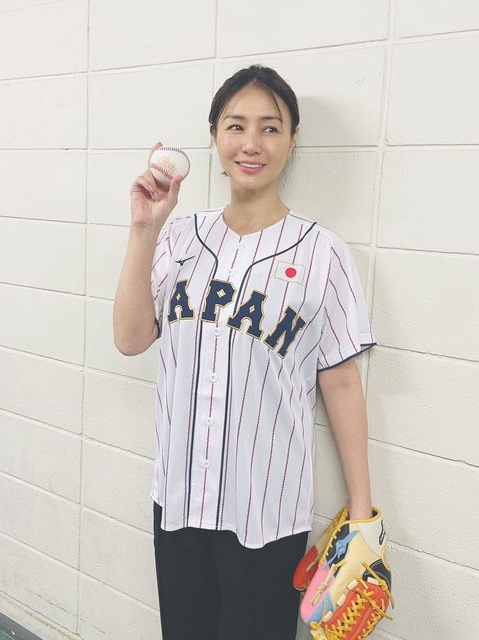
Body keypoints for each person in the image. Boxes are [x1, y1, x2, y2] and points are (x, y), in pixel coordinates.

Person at [113, 65, 376, 640]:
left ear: (293, 139)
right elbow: (130, 339)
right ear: (214, 136)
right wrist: (144, 229)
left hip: (267, 511)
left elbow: (341, 383)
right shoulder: (180, 236)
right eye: (235, 126)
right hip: (179, 499)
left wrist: (361, 511)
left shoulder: (323, 253)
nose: (251, 143)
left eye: (270, 127)